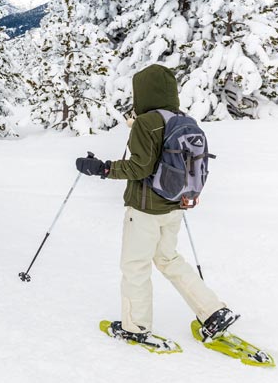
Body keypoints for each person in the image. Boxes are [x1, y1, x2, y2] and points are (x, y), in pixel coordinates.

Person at [76, 64, 238, 346]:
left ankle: (135, 327)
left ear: (143, 92)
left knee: (135, 265)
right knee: (169, 259)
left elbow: (139, 167)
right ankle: (213, 311)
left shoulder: (146, 122)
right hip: (174, 207)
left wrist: (101, 168)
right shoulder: (182, 119)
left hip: (144, 210)